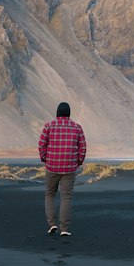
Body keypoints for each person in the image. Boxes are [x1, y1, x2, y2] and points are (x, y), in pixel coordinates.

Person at [38, 101, 87, 237]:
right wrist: (78, 162)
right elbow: (82, 147)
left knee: (49, 194)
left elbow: (42, 144)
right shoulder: (77, 128)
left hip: (52, 166)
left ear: (57, 113)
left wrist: (45, 159)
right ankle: (64, 229)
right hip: (70, 167)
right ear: (69, 114)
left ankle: (52, 224)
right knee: (66, 197)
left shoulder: (49, 126)